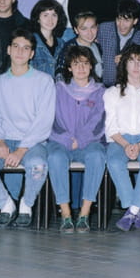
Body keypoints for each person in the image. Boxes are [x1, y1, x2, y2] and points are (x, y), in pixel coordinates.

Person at [0, 28, 55, 229]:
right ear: (8, 50)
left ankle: (26, 205)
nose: (20, 52)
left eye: (26, 48)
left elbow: (43, 121)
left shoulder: (44, 81)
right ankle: (6, 205)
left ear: (32, 54)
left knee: (38, 165)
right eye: (16, 46)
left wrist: (21, 149)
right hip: (3, 139)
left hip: (32, 142)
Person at [46, 45, 107, 234]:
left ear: (91, 66)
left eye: (85, 63)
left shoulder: (101, 92)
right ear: (69, 68)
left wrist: (80, 140)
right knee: (55, 158)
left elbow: (99, 121)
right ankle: (65, 214)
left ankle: (84, 213)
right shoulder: (58, 89)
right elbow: (51, 118)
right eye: (76, 64)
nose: (81, 68)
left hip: (89, 143)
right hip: (60, 141)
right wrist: (67, 139)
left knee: (97, 156)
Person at [104, 45, 140, 231]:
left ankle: (133, 210)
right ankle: (137, 211)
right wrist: (126, 145)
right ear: (124, 64)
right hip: (120, 139)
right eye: (131, 61)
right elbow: (111, 127)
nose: (136, 66)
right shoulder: (112, 92)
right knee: (114, 162)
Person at [98, 0, 140, 87]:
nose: (121, 24)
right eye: (119, 19)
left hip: (130, 88)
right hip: (103, 86)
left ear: (135, 21)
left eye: (127, 20)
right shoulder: (103, 29)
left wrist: (126, 59)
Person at [55, 11, 102, 81]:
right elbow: (60, 75)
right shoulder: (69, 48)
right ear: (76, 30)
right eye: (84, 29)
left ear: (97, 27)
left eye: (92, 27)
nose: (89, 32)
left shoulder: (98, 46)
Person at [29, 0, 68, 78]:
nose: (50, 19)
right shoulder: (30, 42)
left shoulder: (62, 44)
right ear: (38, 19)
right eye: (45, 15)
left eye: (54, 15)